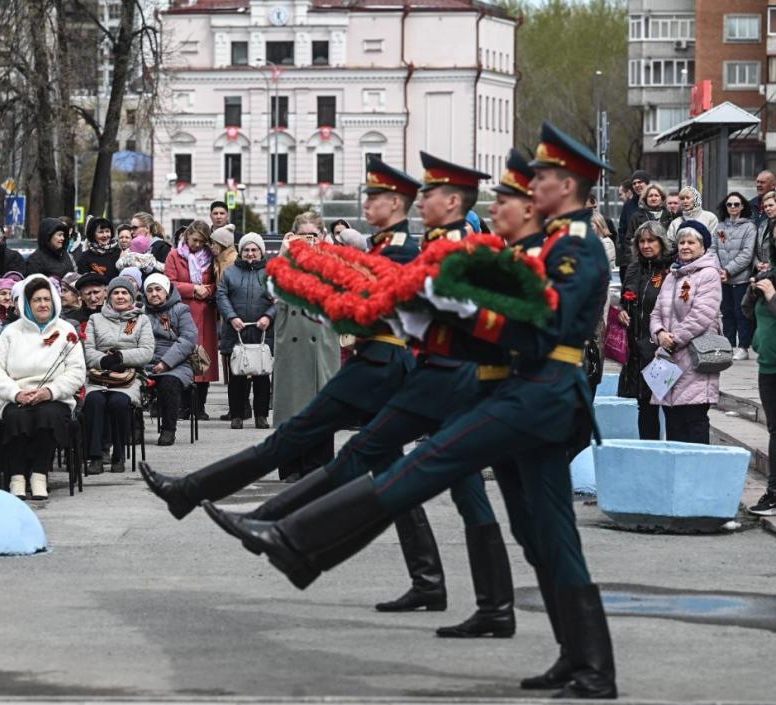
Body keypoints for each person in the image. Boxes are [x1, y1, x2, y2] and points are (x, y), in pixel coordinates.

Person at [200, 124, 618, 699]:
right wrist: (425, 321)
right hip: (519, 391)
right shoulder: (541, 248)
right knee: (542, 532)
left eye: (534, 183)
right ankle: (585, 661)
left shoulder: (574, 248)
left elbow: (546, 330)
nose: (503, 203)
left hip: (539, 394)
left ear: (562, 188)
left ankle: (299, 543)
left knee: (424, 465)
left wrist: (459, 310)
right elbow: (497, 336)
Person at [0, 274, 87, 499]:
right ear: (26, 304)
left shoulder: (66, 332)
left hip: (53, 396)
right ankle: (17, 476)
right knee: (16, 418)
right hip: (16, 395)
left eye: (46, 299)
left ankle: (39, 474)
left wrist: (49, 392)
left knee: (48, 415)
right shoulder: (11, 332)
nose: (42, 304)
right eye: (36, 300)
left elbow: (76, 372)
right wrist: (16, 393)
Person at [272, 212, 342, 479]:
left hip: (321, 343)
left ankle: (318, 466)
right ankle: (290, 467)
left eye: (313, 235)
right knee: (291, 408)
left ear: (323, 236)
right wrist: (284, 252)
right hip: (291, 343)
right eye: (303, 236)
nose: (308, 241)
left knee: (320, 407)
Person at [650, 220, 723, 444]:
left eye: (691, 242)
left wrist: (674, 339)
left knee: (693, 418)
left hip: (694, 356)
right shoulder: (672, 276)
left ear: (702, 247)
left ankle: (698, 475)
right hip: (668, 357)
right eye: (682, 242)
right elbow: (656, 312)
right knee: (672, 419)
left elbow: (701, 315)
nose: (685, 246)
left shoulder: (709, 274)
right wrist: (660, 333)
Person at [82, 276, 155, 475]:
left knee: (119, 403)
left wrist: (121, 357)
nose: (120, 296)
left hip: (128, 375)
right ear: (109, 296)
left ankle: (119, 454)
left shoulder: (141, 320)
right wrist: (103, 360)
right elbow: (87, 350)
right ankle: (96, 455)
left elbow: (147, 351)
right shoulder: (95, 319)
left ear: (132, 297)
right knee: (94, 401)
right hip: (99, 373)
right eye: (116, 292)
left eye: (124, 293)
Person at [617, 221, 675, 439]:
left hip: (662, 349)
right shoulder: (633, 268)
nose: (646, 245)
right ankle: (649, 451)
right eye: (641, 241)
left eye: (651, 240)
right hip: (636, 346)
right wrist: (623, 310)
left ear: (661, 242)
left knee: (669, 406)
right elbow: (628, 298)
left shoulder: (671, 269)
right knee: (645, 406)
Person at [216, 232, 275, 430]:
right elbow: (221, 295)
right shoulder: (230, 273)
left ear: (261, 252)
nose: (250, 253)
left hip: (262, 332)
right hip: (237, 331)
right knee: (237, 376)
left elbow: (281, 298)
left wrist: (269, 316)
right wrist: (232, 317)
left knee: (262, 375)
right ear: (241, 253)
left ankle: (261, 415)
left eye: (254, 250)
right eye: (246, 250)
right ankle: (237, 415)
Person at [164, 219, 218, 419]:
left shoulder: (210, 258)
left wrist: (208, 290)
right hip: (183, 312)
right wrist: (193, 288)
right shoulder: (174, 255)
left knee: (202, 360)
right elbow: (168, 283)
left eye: (202, 242)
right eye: (195, 240)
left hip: (204, 313)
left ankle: (199, 407)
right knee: (183, 357)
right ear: (187, 236)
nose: (197, 245)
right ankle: (183, 406)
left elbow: (217, 281)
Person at [142, 273, 198, 446]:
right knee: (130, 383)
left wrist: (166, 362)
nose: (154, 294)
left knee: (169, 383)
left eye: (158, 289)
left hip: (176, 364)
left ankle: (168, 429)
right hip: (144, 362)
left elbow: (188, 339)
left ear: (167, 292)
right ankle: (135, 428)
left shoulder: (180, 310)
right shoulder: (139, 313)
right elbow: (129, 336)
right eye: (149, 290)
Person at [745, 268, 776, 516]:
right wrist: (752, 289)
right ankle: (774, 493)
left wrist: (773, 297)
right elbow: (747, 312)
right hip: (768, 365)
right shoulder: (772, 274)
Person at [713, 192, 758, 360]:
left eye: (736, 204)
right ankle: (729, 345)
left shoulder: (749, 227)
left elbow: (747, 254)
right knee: (726, 312)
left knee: (742, 313)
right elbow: (713, 250)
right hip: (722, 279)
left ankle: (743, 347)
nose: (733, 207)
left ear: (742, 206)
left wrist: (728, 270)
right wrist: (719, 270)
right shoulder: (719, 227)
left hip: (741, 278)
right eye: (729, 204)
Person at [616, 170, 649, 278]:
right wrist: (629, 253)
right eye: (634, 183)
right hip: (634, 256)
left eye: (640, 182)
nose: (637, 185)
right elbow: (622, 231)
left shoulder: (655, 201)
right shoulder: (628, 206)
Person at [626, 184, 674, 255]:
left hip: (666, 259)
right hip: (641, 259)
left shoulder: (670, 216)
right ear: (645, 199)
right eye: (650, 196)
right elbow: (629, 240)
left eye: (656, 196)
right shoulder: (636, 217)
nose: (653, 198)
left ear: (662, 198)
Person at [76, 217, 120, 282]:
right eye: (101, 232)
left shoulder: (119, 253)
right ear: (93, 235)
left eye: (107, 231)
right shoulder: (85, 257)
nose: (105, 235)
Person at [756, 190, 776, 273]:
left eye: (771, 205)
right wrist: (757, 263)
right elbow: (755, 249)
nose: (767, 209)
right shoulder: (762, 224)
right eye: (765, 206)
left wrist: (771, 265)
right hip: (762, 272)